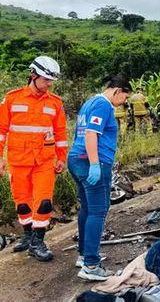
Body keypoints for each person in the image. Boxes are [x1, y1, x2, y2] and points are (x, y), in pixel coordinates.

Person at [0, 56, 68, 261]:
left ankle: (38, 243)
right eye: (46, 79)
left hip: (44, 161)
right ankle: (28, 236)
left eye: (51, 81)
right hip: (18, 160)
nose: (49, 84)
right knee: (22, 203)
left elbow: (61, 133)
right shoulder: (12, 99)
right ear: (33, 75)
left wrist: (61, 158)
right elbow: (1, 131)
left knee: (44, 202)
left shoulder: (55, 103)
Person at [67, 75, 132, 280]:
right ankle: (91, 266)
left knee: (87, 208)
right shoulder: (104, 105)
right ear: (117, 91)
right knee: (98, 212)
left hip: (76, 160)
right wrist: (95, 164)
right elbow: (90, 134)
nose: (124, 102)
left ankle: (85, 254)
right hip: (91, 162)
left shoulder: (90, 102)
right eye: (125, 97)